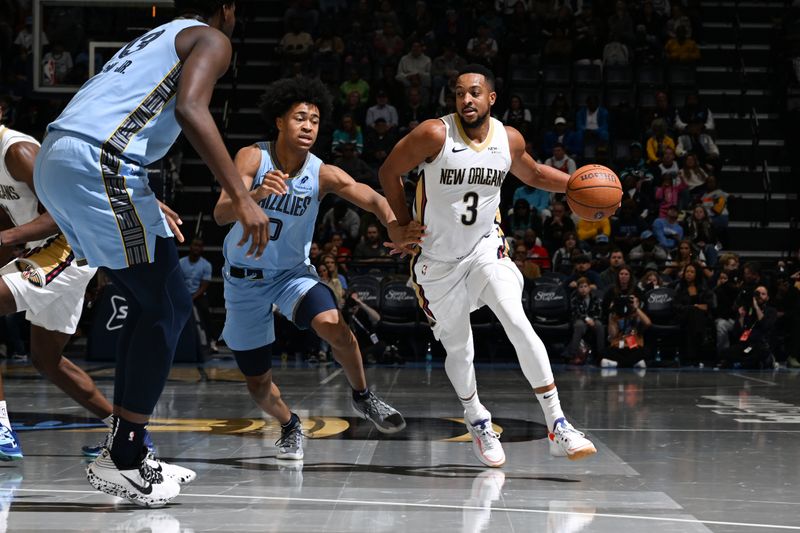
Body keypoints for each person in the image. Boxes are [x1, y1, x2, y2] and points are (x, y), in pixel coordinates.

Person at [33, 1, 269, 506]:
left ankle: (127, 449)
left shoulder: (157, 35)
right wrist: (243, 197)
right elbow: (190, 109)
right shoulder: (212, 38)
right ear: (229, 7)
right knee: (169, 305)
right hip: (103, 161)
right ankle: (124, 455)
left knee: (149, 305)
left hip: (61, 155)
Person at [379, 64, 596, 468]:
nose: (467, 100)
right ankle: (477, 417)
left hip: (485, 249)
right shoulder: (433, 134)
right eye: (460, 93)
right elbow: (389, 170)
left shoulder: (507, 139)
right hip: (436, 262)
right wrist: (398, 224)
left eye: (475, 93)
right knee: (460, 349)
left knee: (516, 319)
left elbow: (530, 173)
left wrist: (575, 185)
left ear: (491, 98)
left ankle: (558, 423)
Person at [213, 77, 420, 464]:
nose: (308, 126)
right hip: (244, 282)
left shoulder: (320, 172)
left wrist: (396, 223)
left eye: (315, 120)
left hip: (292, 275)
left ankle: (363, 397)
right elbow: (221, 212)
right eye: (300, 118)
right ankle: (290, 424)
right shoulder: (253, 158)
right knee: (258, 384)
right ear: (279, 122)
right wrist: (255, 195)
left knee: (332, 323)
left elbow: (371, 196)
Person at [717, 286, 777, 369]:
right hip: (747, 346)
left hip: (761, 345)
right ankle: (748, 363)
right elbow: (737, 333)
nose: (759, 296)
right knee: (724, 353)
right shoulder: (747, 310)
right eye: (757, 293)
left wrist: (756, 307)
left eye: (763, 294)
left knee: (760, 352)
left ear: (767, 298)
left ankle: (751, 362)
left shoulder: (771, 311)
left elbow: (765, 325)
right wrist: (741, 317)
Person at [179, 237, 217, 352]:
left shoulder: (206, 265)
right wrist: (185, 297)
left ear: (202, 249)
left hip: (198, 295)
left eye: (199, 246)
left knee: (205, 312)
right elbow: (178, 281)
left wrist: (192, 298)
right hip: (183, 294)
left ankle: (212, 341)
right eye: (194, 245)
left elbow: (204, 286)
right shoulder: (181, 262)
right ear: (190, 247)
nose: (196, 248)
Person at [674, 262, 714, 364]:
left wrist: (697, 308)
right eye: (687, 271)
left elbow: (708, 306)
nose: (689, 274)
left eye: (692, 272)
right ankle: (696, 355)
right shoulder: (680, 288)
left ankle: (691, 355)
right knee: (693, 313)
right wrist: (692, 307)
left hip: (701, 318)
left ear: (697, 274)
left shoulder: (704, 288)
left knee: (695, 317)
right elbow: (676, 306)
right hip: (683, 317)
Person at [603, 293, 651, 369]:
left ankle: (617, 364)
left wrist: (636, 308)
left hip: (633, 347)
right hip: (618, 347)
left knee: (644, 352)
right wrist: (611, 312)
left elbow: (648, 323)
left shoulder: (639, 315)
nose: (630, 302)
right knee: (605, 351)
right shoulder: (616, 316)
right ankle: (634, 363)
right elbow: (613, 334)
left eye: (633, 300)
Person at [564, 277, 604, 365]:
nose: (583, 289)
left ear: (589, 288)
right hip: (580, 320)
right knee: (579, 325)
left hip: (593, 320)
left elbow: (599, 311)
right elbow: (575, 313)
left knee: (599, 325)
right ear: (578, 289)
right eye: (581, 287)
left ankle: (601, 356)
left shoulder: (596, 298)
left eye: (585, 286)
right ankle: (573, 355)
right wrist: (587, 319)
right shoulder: (574, 299)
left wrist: (593, 319)